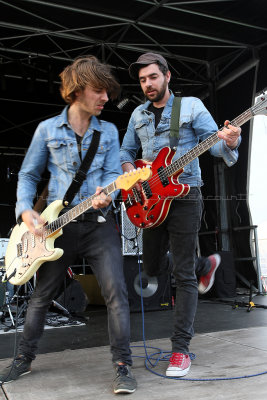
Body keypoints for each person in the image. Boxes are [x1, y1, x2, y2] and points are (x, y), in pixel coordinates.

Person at [0, 56, 137, 394]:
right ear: (77, 91)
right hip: (56, 228)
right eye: (99, 91)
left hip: (98, 222)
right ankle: (24, 358)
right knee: (41, 296)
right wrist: (25, 212)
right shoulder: (47, 130)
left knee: (116, 293)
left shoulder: (108, 131)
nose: (106, 98)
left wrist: (108, 193)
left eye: (107, 92)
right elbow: (29, 174)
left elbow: (110, 178)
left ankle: (123, 365)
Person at [120, 52, 241, 377]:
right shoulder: (137, 115)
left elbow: (212, 144)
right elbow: (126, 151)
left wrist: (230, 140)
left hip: (185, 196)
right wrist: (132, 175)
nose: (147, 83)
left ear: (167, 76)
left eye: (152, 77)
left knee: (183, 276)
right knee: (154, 267)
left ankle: (180, 351)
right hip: (149, 198)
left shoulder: (191, 108)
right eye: (143, 79)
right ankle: (206, 264)